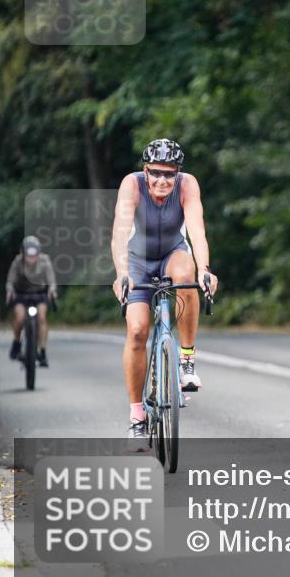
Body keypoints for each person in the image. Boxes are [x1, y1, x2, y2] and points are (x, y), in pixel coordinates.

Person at [110, 139, 219, 450]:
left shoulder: (187, 185)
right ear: (145, 171)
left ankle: (186, 361)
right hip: (137, 261)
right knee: (137, 331)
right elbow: (120, 232)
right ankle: (137, 418)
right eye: (156, 173)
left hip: (173, 253)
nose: (162, 180)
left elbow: (196, 230)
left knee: (187, 276)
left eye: (169, 174)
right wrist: (121, 273)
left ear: (177, 173)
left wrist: (205, 270)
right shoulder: (132, 184)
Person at [5, 236, 57, 367]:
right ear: (23, 252)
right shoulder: (17, 262)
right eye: (28, 253)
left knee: (42, 317)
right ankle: (17, 342)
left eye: (34, 253)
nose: (31, 257)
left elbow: (51, 280)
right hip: (21, 294)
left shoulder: (45, 261)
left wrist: (52, 290)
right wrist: (10, 291)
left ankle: (42, 351)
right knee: (20, 317)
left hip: (39, 294)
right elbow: (10, 280)